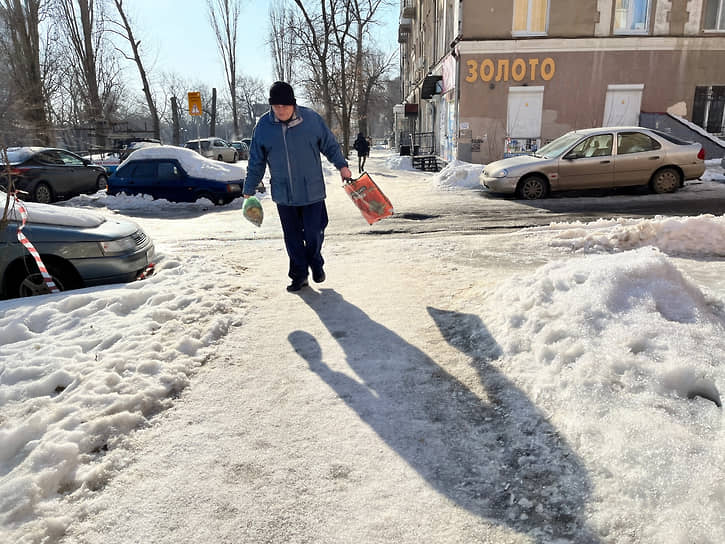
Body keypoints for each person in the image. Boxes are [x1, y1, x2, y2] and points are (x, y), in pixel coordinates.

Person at [243, 81, 352, 293]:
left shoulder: (311, 120)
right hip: (284, 193)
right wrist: (249, 188)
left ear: (293, 104)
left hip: (312, 191)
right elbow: (256, 161)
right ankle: (299, 276)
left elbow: (329, 144)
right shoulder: (264, 127)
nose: (280, 109)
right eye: (276, 106)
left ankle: (316, 262)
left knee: (314, 233)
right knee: (292, 238)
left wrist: (342, 166)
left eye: (284, 105)